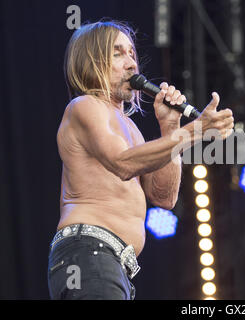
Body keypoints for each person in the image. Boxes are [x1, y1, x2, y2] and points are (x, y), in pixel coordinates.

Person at [47, 20, 234, 300]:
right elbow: (122, 163)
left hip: (113, 262)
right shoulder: (84, 107)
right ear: (91, 61)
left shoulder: (130, 128)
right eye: (118, 53)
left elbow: (164, 197)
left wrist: (170, 129)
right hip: (88, 251)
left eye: (132, 54)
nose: (132, 64)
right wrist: (195, 130)